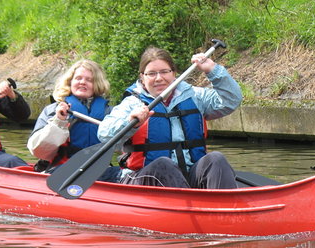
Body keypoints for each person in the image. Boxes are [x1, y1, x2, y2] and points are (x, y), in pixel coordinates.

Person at [97, 46, 243, 188]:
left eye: (164, 72)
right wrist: (130, 122)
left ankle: (223, 203)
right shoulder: (131, 104)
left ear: (174, 73)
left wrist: (213, 70)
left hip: (188, 175)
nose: (158, 78)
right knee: (164, 165)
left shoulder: (195, 96)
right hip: (144, 177)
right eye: (151, 73)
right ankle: (186, 202)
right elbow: (104, 134)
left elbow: (231, 100)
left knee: (215, 159)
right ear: (142, 77)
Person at [27, 59, 119, 180]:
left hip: (99, 171)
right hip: (62, 169)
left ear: (97, 84)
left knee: (124, 174)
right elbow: (38, 151)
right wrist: (59, 121)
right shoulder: (52, 110)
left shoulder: (110, 113)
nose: (83, 82)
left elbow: (122, 146)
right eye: (78, 78)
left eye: (89, 80)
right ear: (70, 82)